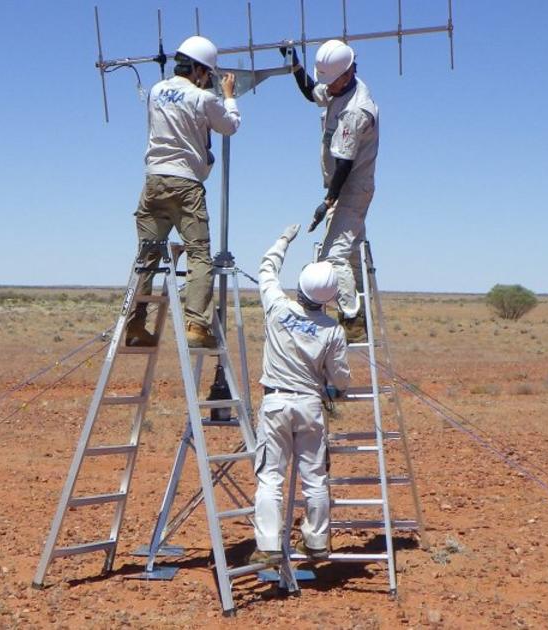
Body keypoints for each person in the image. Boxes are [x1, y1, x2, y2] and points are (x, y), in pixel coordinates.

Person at [126, 36, 239, 349]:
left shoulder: (156, 91)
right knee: (199, 252)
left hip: (153, 181)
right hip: (186, 183)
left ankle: (135, 322)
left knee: (147, 255)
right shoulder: (203, 99)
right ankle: (196, 326)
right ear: (201, 70)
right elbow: (229, 126)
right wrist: (228, 96)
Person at [250, 224, 351, 565]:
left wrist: (283, 240)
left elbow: (266, 268)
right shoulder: (333, 330)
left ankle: (267, 546)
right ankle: (317, 542)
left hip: (276, 401)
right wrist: (332, 386)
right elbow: (340, 378)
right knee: (314, 477)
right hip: (309, 406)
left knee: (270, 477)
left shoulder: (278, 307)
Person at [283, 40, 379, 343]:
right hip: (341, 188)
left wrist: (328, 201)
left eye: (331, 81)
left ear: (347, 74)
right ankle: (358, 317)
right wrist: (295, 65)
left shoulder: (355, 111)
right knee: (349, 259)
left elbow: (345, 164)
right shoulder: (338, 86)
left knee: (332, 259)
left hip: (351, 189)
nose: (327, 87)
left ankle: (351, 319)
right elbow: (312, 92)